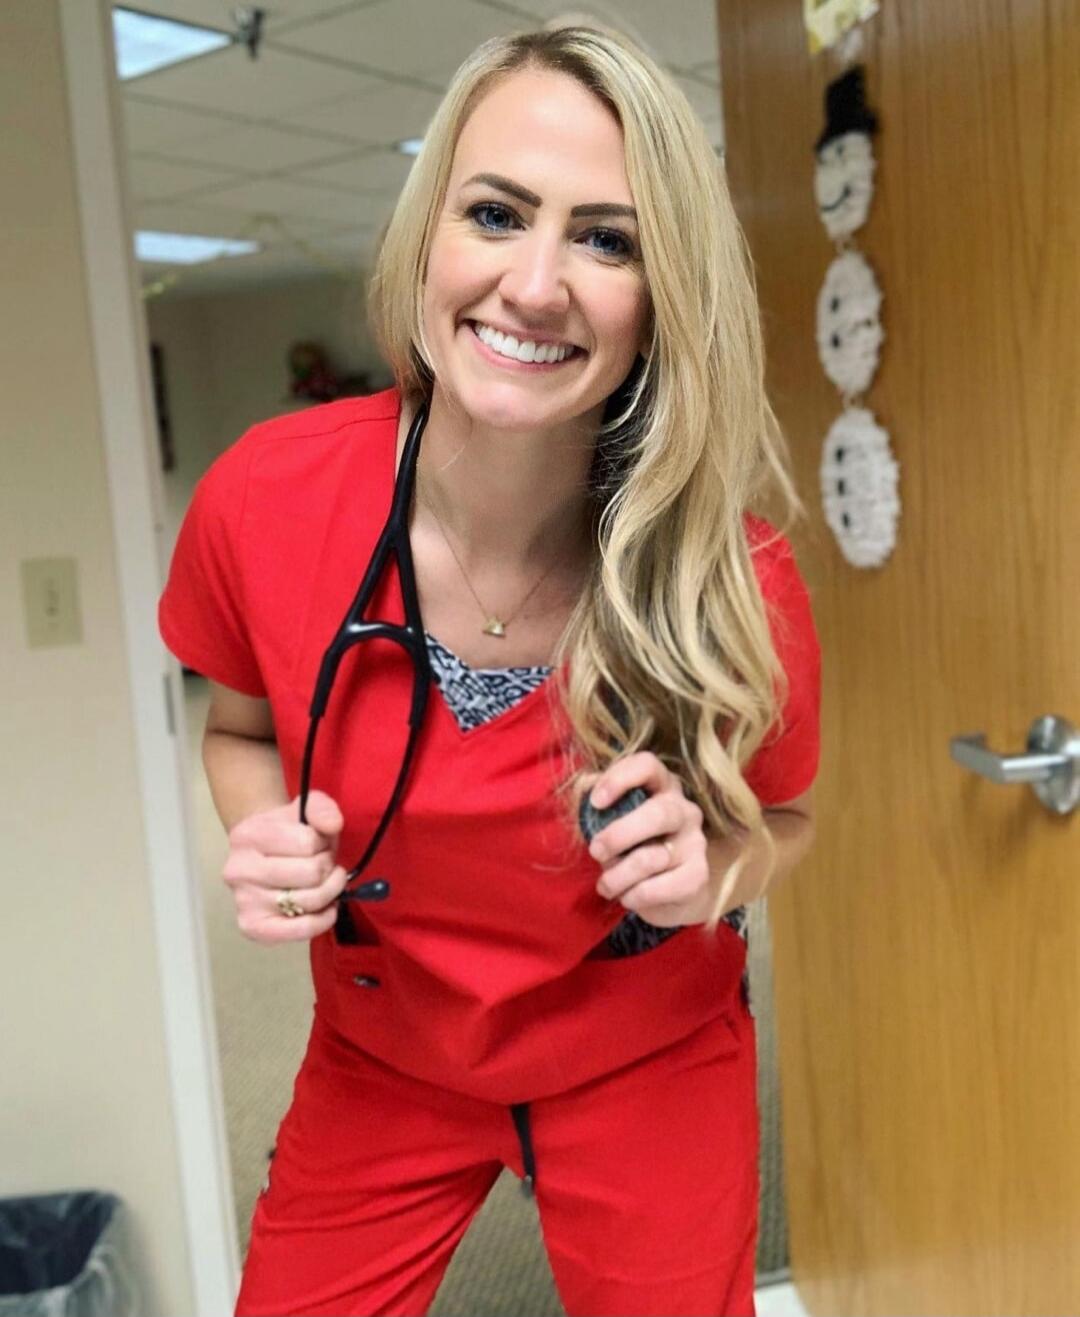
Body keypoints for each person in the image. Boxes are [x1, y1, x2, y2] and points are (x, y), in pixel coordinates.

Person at [158, 21, 821, 1317]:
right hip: (384, 1047)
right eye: (498, 211)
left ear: (666, 290)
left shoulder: (732, 570)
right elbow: (237, 731)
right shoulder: (265, 499)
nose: (534, 283)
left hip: (645, 1053)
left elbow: (783, 818)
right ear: (429, 239)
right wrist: (266, 828)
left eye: (607, 237)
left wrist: (712, 867)